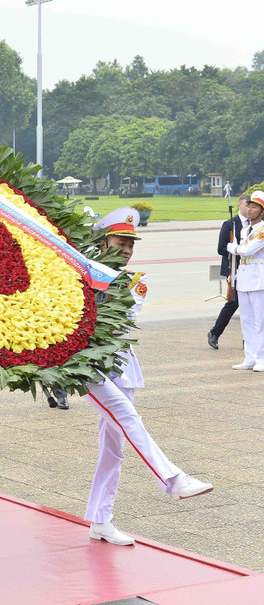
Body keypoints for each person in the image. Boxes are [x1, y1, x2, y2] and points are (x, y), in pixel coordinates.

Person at [82, 208, 213, 546]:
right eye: (120, 242)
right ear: (101, 241)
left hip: (119, 365)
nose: (127, 249)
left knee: (114, 450)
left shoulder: (135, 281)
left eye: (130, 244)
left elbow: (116, 323)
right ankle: (173, 479)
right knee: (127, 416)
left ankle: (101, 519)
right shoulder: (80, 272)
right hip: (84, 365)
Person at [227, 192, 264, 371]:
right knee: (247, 320)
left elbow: (248, 250)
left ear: (262, 211)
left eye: (255, 206)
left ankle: (262, 358)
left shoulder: (262, 230)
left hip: (259, 278)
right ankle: (250, 357)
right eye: (249, 205)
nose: (250, 209)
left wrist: (234, 247)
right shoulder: (243, 229)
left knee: (261, 321)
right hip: (244, 277)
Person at [209, 193, 250, 349]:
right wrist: (234, 250)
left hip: (251, 269)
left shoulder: (257, 224)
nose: (249, 208)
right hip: (234, 268)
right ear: (239, 205)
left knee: (250, 305)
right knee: (234, 303)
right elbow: (220, 248)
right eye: (247, 204)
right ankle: (215, 333)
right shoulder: (230, 224)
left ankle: (249, 339)